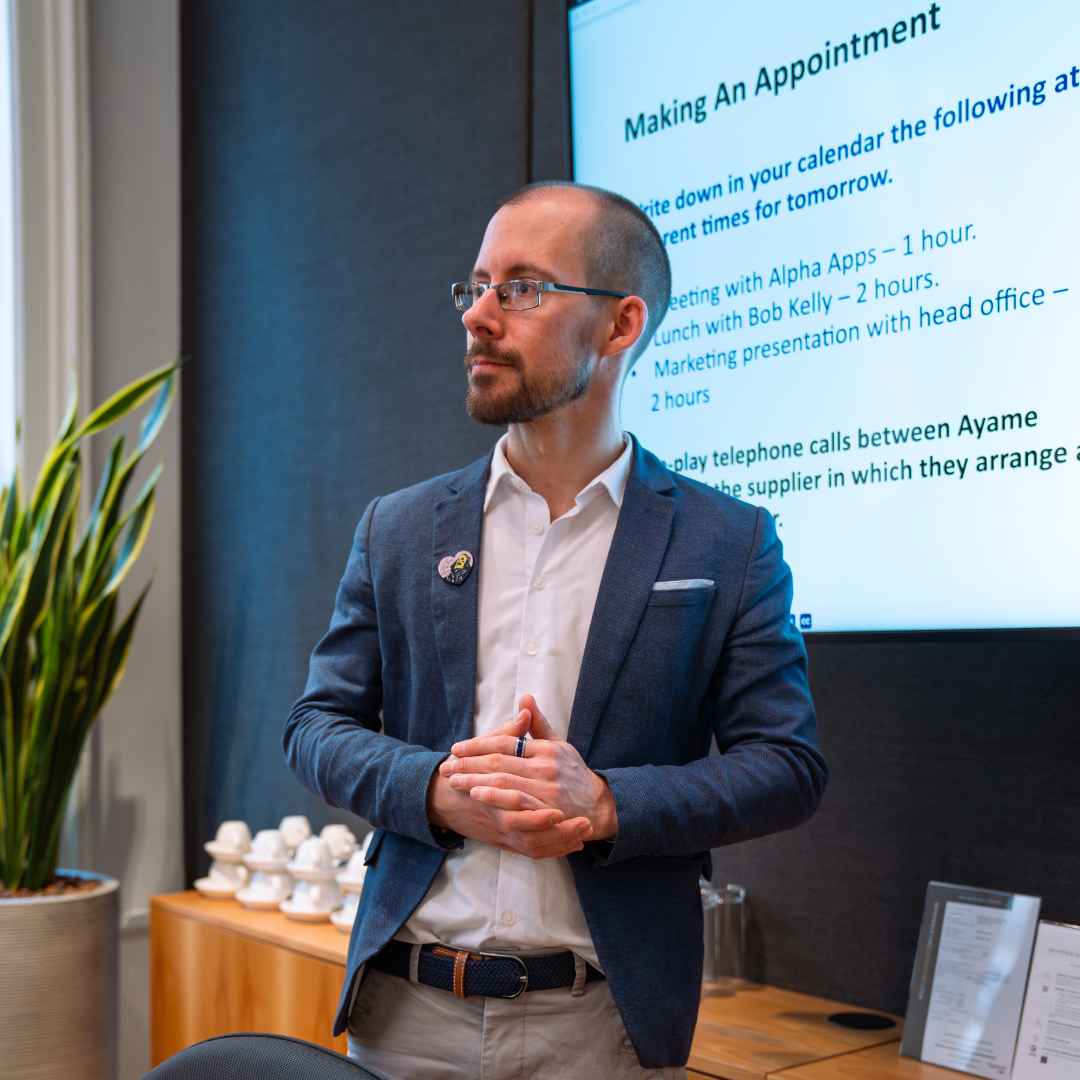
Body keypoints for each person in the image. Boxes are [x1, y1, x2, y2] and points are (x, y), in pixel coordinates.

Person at [282, 180, 828, 1078]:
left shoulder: (727, 542)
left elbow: (788, 766)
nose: (478, 316)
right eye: (475, 288)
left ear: (621, 325)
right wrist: (434, 789)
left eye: (523, 288)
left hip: (605, 1025)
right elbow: (314, 728)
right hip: (405, 1013)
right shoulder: (400, 528)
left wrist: (607, 804)